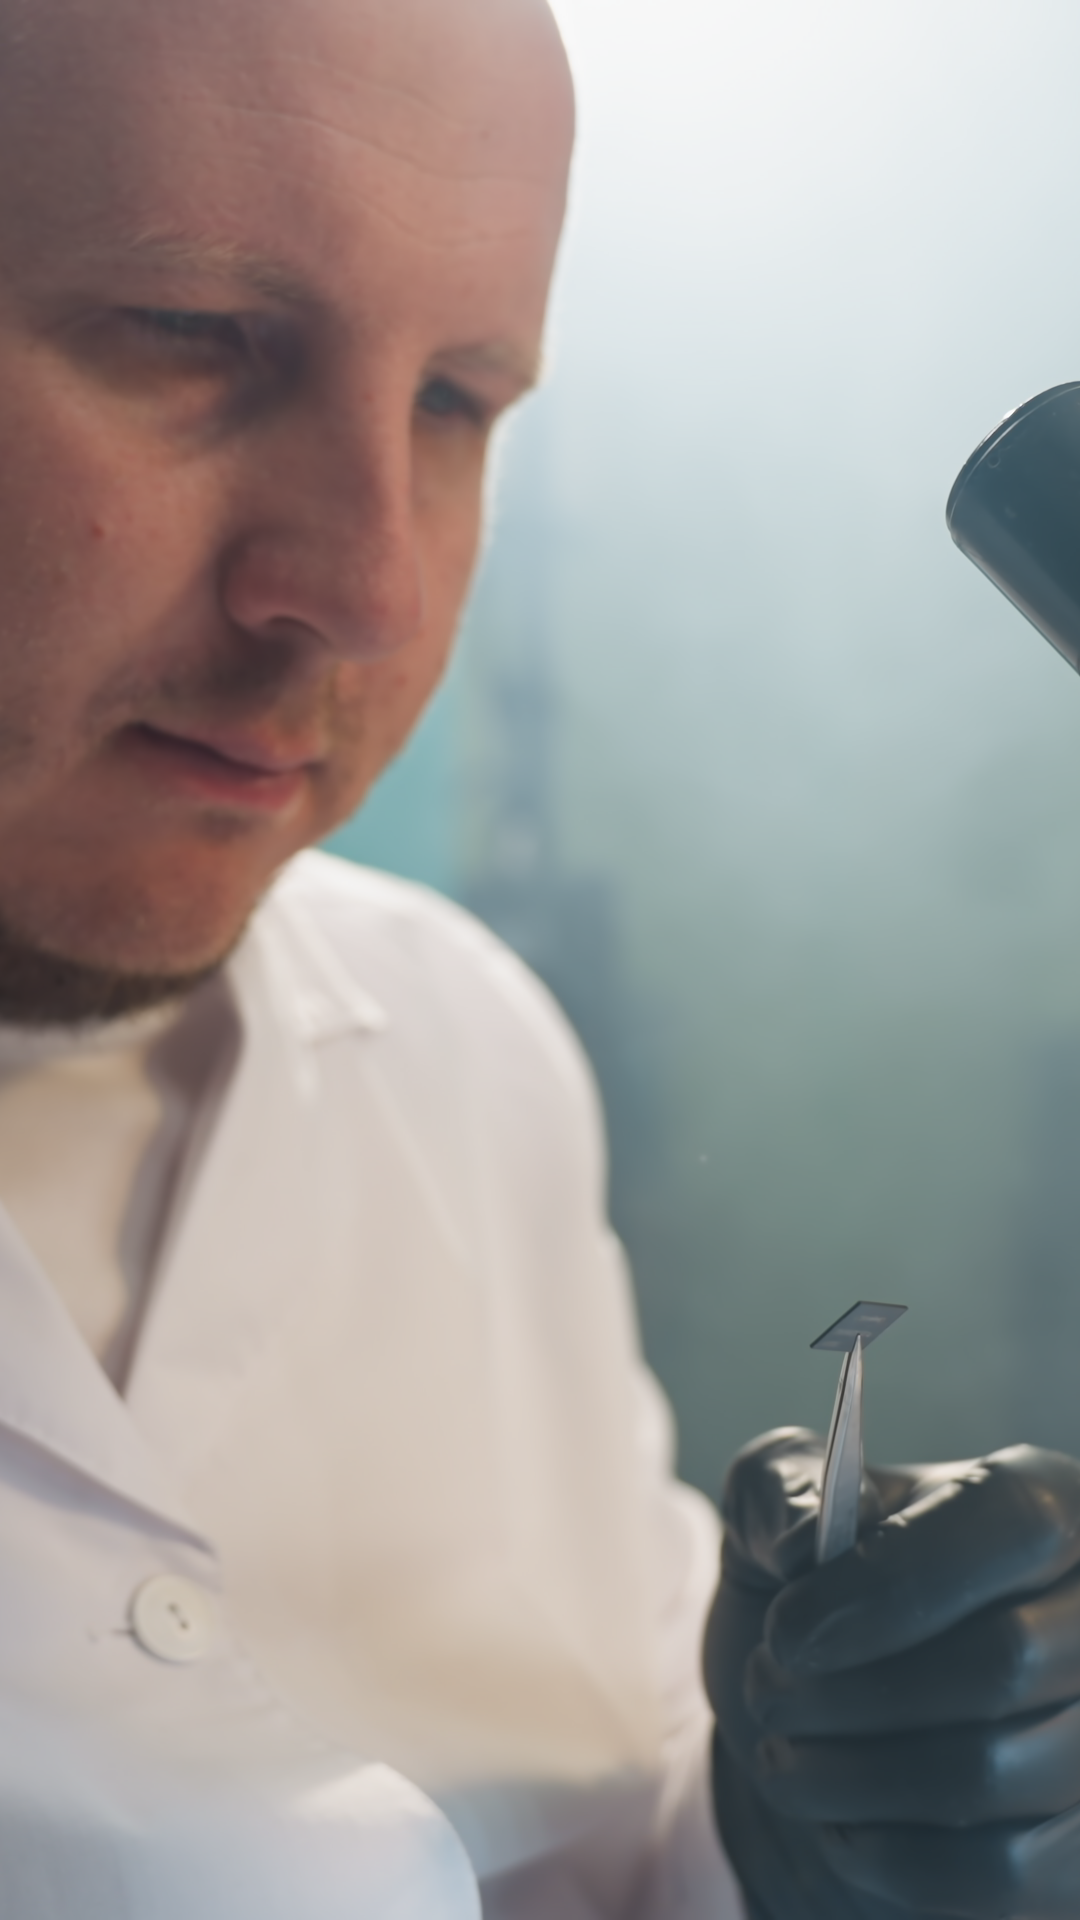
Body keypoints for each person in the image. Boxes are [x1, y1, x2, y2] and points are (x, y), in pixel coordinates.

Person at [1, 0, 1080, 1913]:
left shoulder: (453, 1040)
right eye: (189, 333)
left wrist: (780, 1829)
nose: (372, 589)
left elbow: (597, 1818)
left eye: (457, 403)